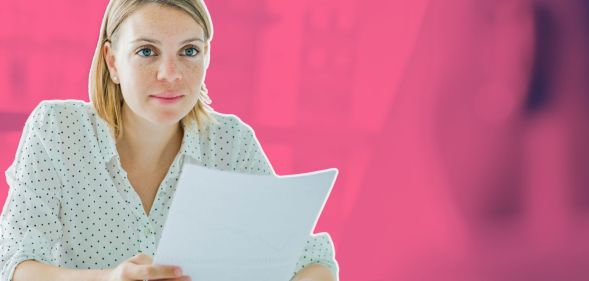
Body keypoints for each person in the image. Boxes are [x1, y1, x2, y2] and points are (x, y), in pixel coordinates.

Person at [0, 1, 338, 280]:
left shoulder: (230, 143)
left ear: (206, 57)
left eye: (188, 51)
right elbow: (16, 265)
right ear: (112, 62)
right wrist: (109, 279)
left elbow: (306, 258)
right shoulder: (58, 130)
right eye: (147, 51)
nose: (171, 74)